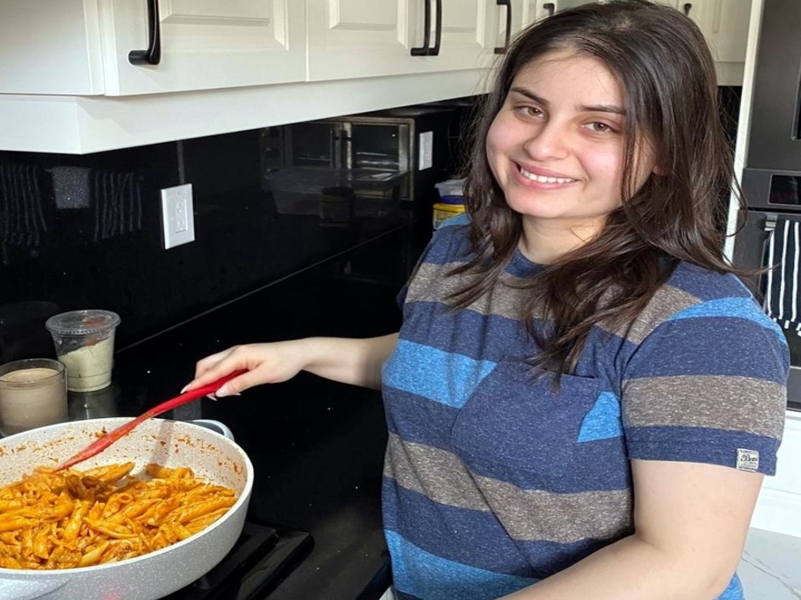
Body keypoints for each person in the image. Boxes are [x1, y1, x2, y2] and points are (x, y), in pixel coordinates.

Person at [183, 1, 789, 598]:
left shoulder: (702, 325)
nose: (542, 146)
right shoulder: (459, 246)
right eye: (529, 108)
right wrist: (305, 352)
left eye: (601, 124)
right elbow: (442, 360)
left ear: (664, 153)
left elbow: (683, 565)